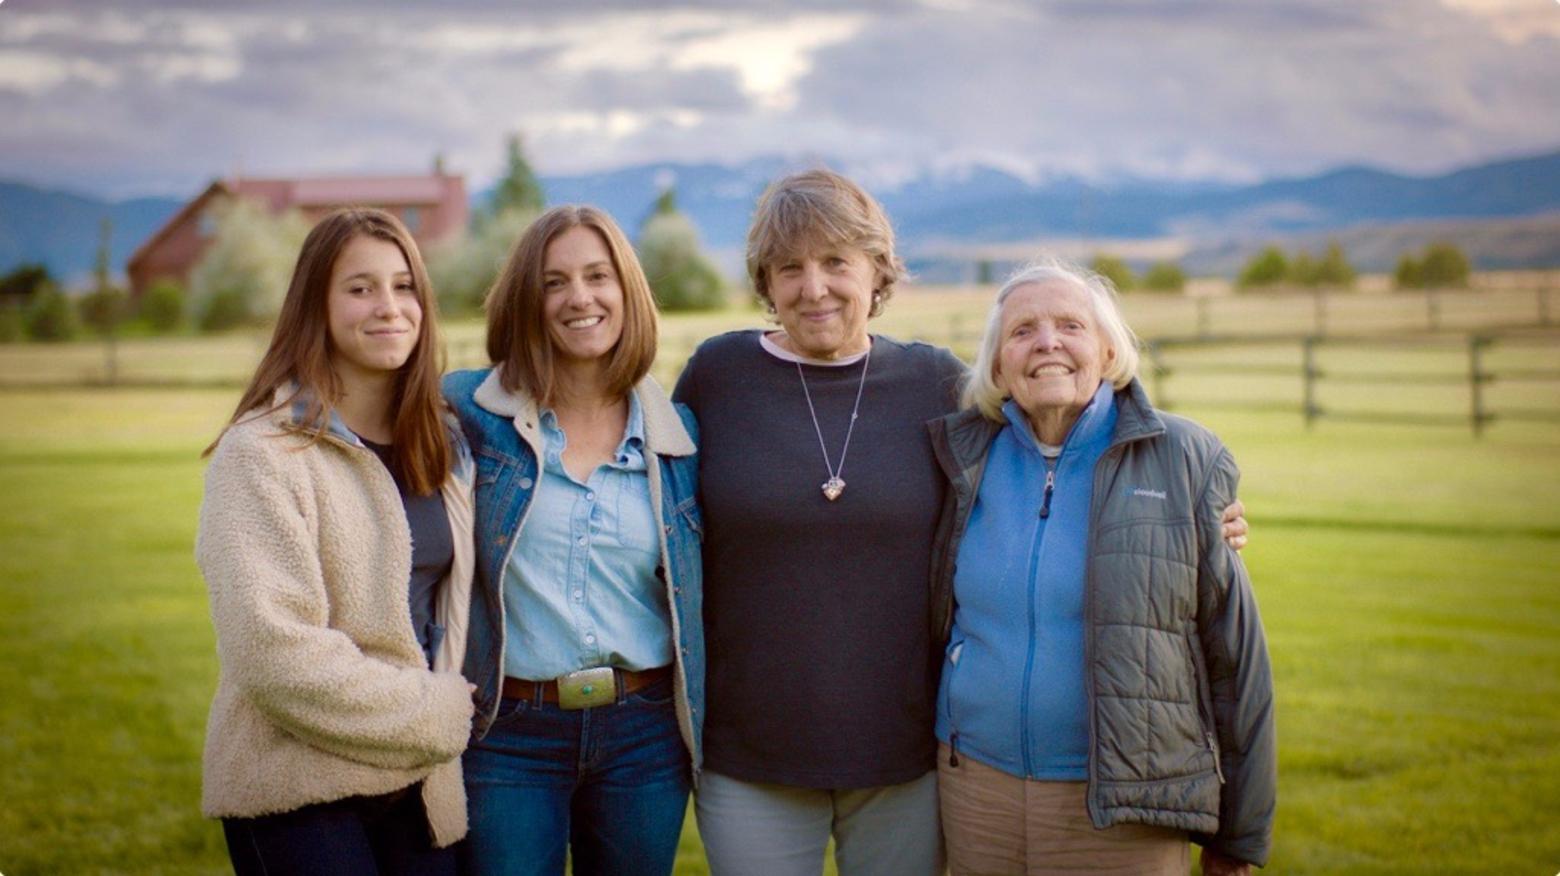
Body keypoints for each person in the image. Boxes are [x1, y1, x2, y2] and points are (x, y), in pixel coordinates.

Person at [673, 170, 1250, 876]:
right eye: (789, 267)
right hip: (749, 750)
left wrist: (1190, 512)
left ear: (877, 272)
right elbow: (655, 502)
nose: (813, 286)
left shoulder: (936, 385)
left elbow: (1056, 454)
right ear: (765, 280)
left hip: (907, 753)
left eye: (836, 263)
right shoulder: (718, 375)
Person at [927, 260, 1276, 875]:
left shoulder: (1182, 458)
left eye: (1071, 325)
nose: (1048, 343)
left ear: (1110, 350)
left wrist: (1239, 836)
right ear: (999, 365)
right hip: (975, 791)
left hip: (1124, 806)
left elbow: (1237, 659)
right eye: (1023, 331)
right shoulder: (958, 458)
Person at [195, 208, 477, 875]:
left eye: (404, 286)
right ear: (315, 306)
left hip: (419, 781)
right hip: (297, 781)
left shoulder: (445, 442)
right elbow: (273, 654)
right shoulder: (261, 454)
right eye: (360, 288)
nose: (389, 307)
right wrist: (432, 710)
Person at [442, 205, 704, 876]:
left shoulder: (680, 440)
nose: (579, 298)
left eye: (597, 276)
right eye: (555, 282)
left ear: (627, 292)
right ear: (528, 301)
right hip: (508, 732)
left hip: (643, 734)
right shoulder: (468, 413)